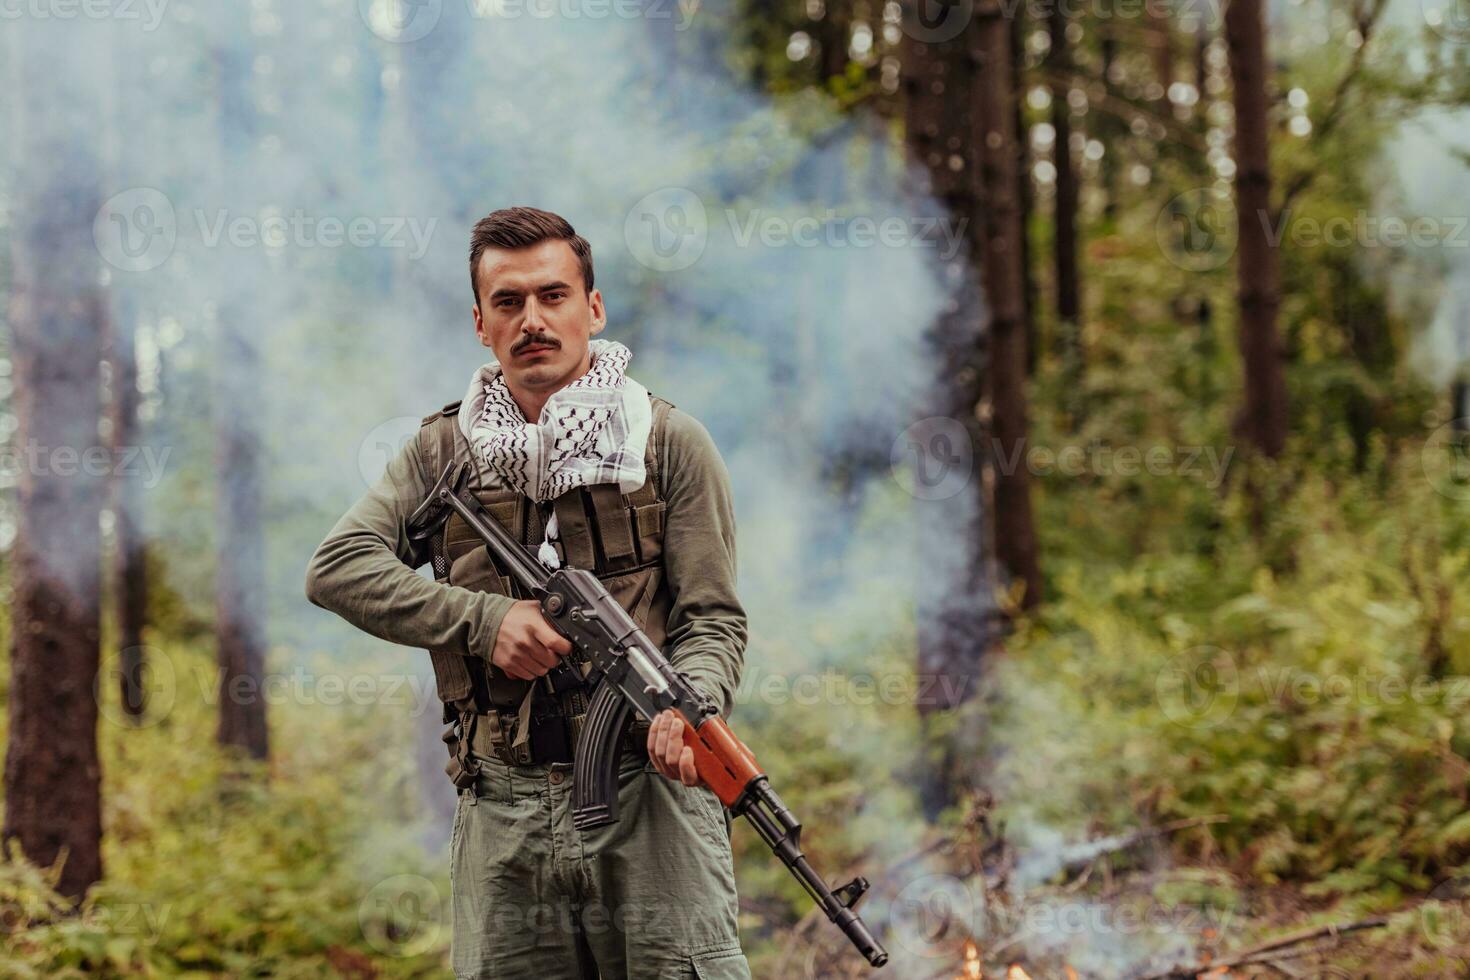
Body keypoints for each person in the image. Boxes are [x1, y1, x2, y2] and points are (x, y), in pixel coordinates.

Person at [305, 206, 752, 979]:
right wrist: (482, 621)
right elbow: (338, 565)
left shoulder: (668, 443)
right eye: (509, 302)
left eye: (553, 296)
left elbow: (712, 619)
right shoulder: (443, 452)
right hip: (502, 809)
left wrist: (692, 702)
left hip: (649, 802)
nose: (533, 320)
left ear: (594, 308)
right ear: (481, 323)